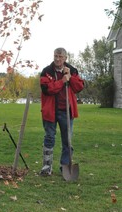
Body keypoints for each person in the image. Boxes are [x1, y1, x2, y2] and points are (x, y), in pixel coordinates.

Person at [39, 47, 84, 176]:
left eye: (60, 57)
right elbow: (47, 89)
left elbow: (79, 87)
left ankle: (65, 166)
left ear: (65, 58)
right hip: (50, 111)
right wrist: (62, 81)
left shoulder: (72, 70)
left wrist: (70, 77)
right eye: (55, 56)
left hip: (66, 111)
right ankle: (47, 167)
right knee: (49, 138)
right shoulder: (46, 71)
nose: (57, 59)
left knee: (67, 140)